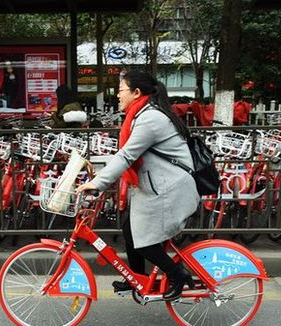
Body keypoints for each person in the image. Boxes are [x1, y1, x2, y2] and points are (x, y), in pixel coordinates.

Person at [77, 71, 200, 300]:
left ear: (136, 93)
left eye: (121, 89)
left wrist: (97, 184)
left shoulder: (150, 119)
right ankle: (135, 278)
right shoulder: (141, 115)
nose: (117, 95)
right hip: (159, 187)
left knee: (143, 241)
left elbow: (127, 156)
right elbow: (126, 154)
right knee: (129, 230)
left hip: (170, 190)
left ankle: (178, 275)